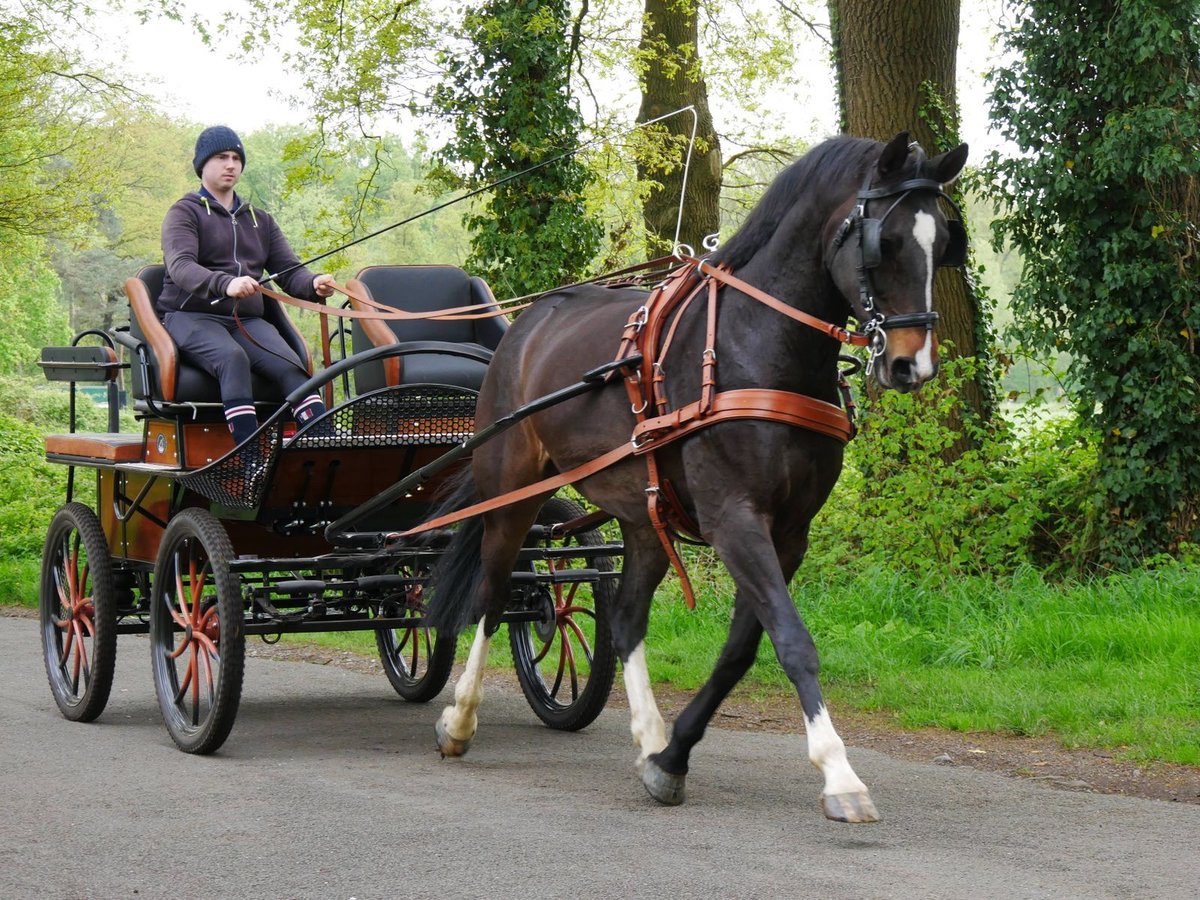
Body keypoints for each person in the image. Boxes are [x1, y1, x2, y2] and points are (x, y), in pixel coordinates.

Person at [158, 125, 334, 444]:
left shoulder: (260, 220)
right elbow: (181, 267)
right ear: (202, 164)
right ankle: (249, 455)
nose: (231, 164)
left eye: (237, 158)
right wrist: (225, 283)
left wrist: (313, 283)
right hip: (191, 317)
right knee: (232, 358)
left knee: (290, 365)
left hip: (248, 320)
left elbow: (289, 271)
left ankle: (324, 446)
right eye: (222, 157)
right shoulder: (184, 213)